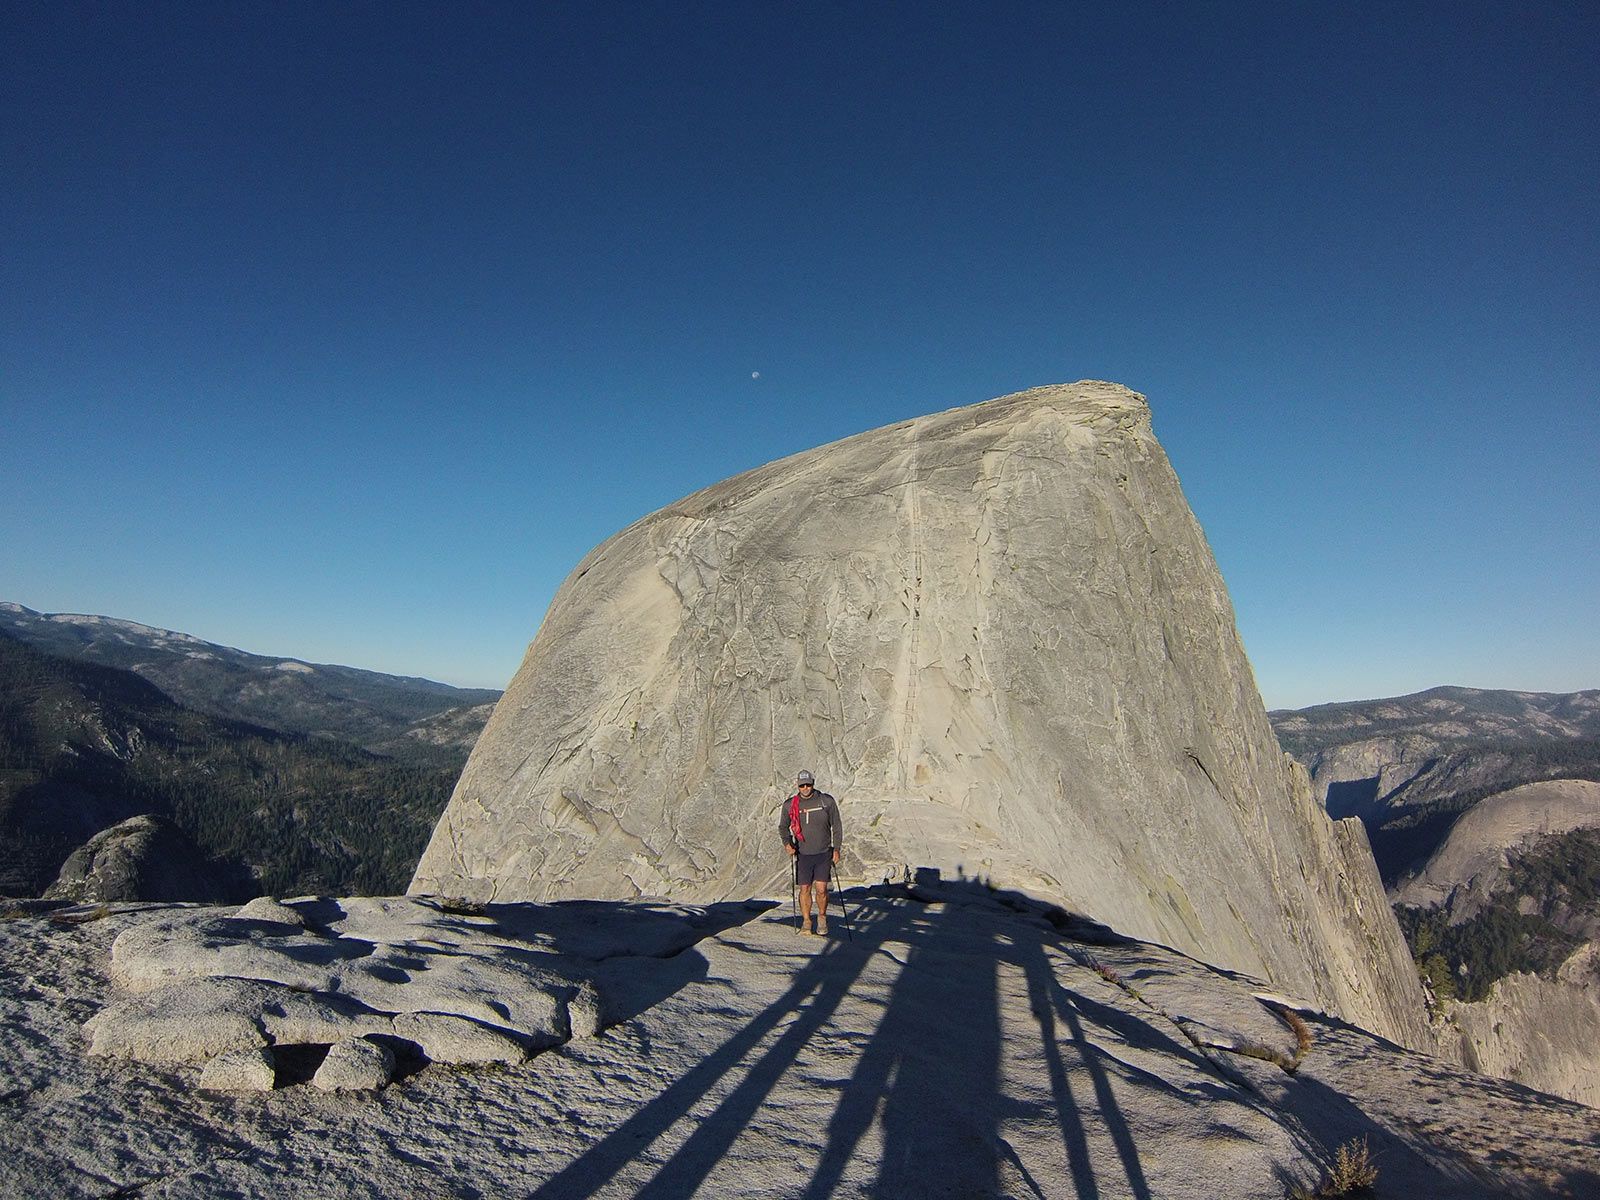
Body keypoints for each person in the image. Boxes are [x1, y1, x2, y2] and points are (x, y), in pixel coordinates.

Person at [780, 770, 842, 935]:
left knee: (821, 889)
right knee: (805, 889)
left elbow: (836, 825)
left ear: (813, 783)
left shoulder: (826, 801)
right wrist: (787, 843)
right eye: (802, 785)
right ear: (798, 785)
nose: (806, 788)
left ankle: (822, 917)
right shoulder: (790, 805)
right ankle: (807, 921)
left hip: (823, 852)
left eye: (808, 784)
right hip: (803, 854)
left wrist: (836, 848)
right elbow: (782, 827)